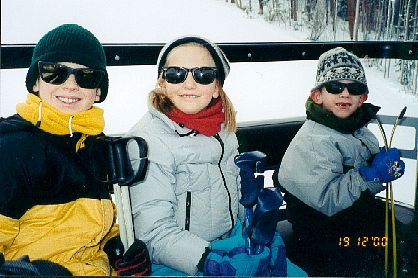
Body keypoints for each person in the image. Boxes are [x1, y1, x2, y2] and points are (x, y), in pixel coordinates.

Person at [126, 36, 306, 277]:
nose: (189, 84)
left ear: (216, 88)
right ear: (162, 82)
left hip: (232, 241)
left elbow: (238, 197)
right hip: (178, 260)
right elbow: (154, 232)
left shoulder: (223, 130)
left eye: (203, 75)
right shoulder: (149, 141)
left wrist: (261, 233)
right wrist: (209, 261)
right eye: (176, 74)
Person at [0, 24, 150, 276]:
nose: (70, 85)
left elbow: (91, 226)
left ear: (98, 90)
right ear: (35, 82)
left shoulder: (95, 145)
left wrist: (115, 247)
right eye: (54, 72)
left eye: (86, 76)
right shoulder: (11, 149)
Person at [277, 47, 407, 276]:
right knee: (372, 252)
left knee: (399, 236)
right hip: (321, 233)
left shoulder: (357, 131)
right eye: (335, 87)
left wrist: (382, 164)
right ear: (318, 95)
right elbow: (328, 199)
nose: (345, 94)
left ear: (362, 98)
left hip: (350, 217)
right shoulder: (313, 140)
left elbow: (360, 170)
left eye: (354, 88)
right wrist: (372, 174)